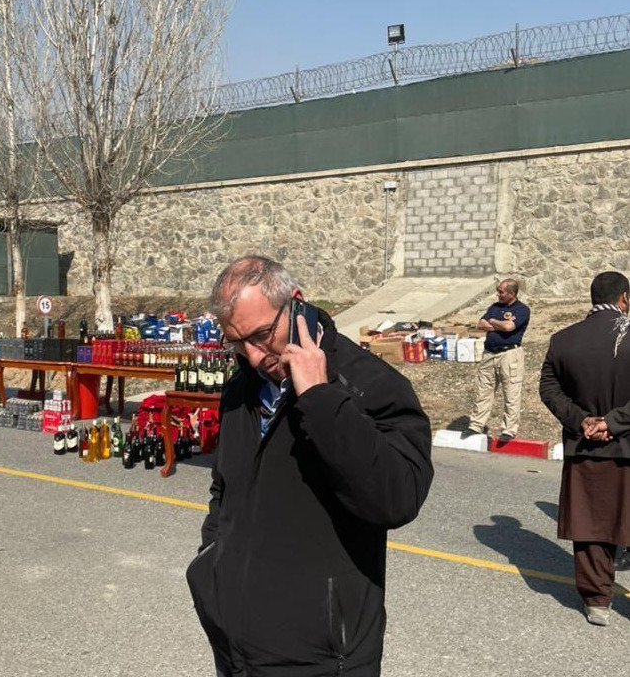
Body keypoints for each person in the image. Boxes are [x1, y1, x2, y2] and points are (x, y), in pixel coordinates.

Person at [186, 256, 433, 676]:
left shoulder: (371, 386)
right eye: (236, 343)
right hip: (236, 646)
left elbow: (398, 498)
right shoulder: (241, 387)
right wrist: (210, 564)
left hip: (322, 657)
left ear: (296, 304)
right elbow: (223, 488)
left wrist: (320, 399)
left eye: (263, 335)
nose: (253, 355)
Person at [539, 271, 630, 626]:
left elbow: (549, 389)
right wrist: (615, 422)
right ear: (625, 298)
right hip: (625, 441)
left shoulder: (563, 340)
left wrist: (583, 421)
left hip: (584, 446)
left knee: (591, 524)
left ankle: (597, 601)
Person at [462, 278, 530, 443]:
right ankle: (476, 425)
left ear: (511, 294)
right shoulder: (494, 307)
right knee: (483, 390)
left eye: (501, 292)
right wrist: (497, 323)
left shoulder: (522, 309)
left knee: (511, 393)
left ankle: (509, 430)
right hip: (489, 354)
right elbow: (480, 324)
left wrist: (493, 322)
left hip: (509, 355)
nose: (498, 294)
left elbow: (509, 328)